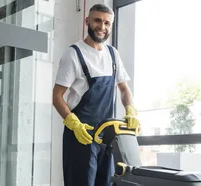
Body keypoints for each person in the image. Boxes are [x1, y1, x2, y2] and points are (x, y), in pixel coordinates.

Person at [52, 4, 139, 186]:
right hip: (80, 136)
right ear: (87, 21)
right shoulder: (74, 54)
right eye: (97, 20)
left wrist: (130, 110)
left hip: (107, 137)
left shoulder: (112, 54)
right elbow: (57, 96)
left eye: (107, 23)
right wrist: (73, 123)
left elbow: (124, 89)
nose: (102, 26)